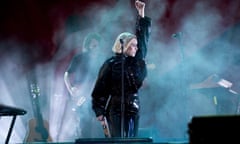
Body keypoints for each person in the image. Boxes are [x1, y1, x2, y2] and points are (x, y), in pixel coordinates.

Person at [91, 0, 151, 138]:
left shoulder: (135, 62)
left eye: (136, 45)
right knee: (117, 140)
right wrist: (99, 111)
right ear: (124, 45)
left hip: (133, 107)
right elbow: (100, 88)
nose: (136, 48)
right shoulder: (111, 64)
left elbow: (143, 39)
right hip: (115, 108)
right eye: (133, 45)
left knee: (132, 139)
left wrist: (141, 14)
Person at [64, 32, 102, 138]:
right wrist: (71, 90)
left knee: (96, 126)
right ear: (88, 45)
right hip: (82, 96)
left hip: (95, 97)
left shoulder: (100, 60)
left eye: (97, 45)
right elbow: (66, 75)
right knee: (82, 125)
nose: (95, 47)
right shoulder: (79, 58)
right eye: (93, 44)